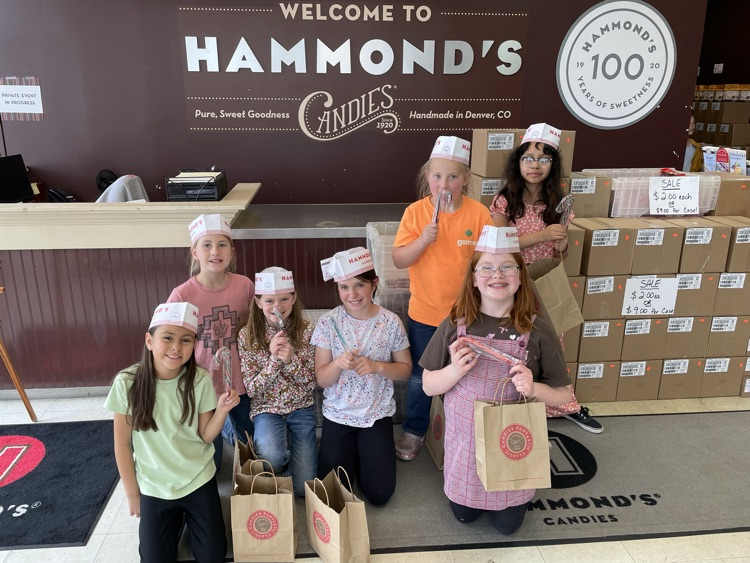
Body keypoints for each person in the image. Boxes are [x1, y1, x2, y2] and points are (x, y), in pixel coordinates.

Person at [421, 226, 571, 535]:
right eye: (486, 267)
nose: (496, 274)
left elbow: (564, 396)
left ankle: (509, 499)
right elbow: (427, 385)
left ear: (520, 276)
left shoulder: (539, 332)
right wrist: (454, 371)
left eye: (507, 267)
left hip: (512, 445)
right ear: (474, 278)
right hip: (465, 447)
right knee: (463, 515)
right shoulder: (454, 326)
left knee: (507, 527)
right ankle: (467, 495)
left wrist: (534, 388)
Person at [489, 123, 602, 434]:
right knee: (513, 342)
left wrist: (561, 243)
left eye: (543, 159)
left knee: (550, 343)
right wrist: (541, 234)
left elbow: (559, 252)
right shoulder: (504, 199)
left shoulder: (557, 200)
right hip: (510, 281)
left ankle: (563, 405)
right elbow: (496, 244)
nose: (535, 165)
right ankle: (508, 402)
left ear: (553, 165)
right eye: (528, 158)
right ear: (518, 161)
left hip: (546, 280)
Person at [105, 302, 239, 563]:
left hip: (198, 480)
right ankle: (177, 520)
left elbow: (206, 436)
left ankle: (188, 520)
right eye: (167, 338)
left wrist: (222, 411)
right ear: (149, 340)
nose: (176, 347)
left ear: (193, 345)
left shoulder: (199, 379)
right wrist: (133, 494)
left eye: (186, 340)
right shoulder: (127, 382)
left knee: (213, 556)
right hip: (154, 487)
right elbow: (122, 445)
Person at [392, 135, 492, 460]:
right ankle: (416, 429)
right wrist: (422, 241)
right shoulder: (416, 212)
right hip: (425, 314)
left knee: (467, 373)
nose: (444, 183)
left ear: (465, 179)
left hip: (468, 316)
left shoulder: (478, 215)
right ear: (427, 178)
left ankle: (460, 429)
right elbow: (399, 259)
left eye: (452, 176)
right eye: (437, 176)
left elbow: (489, 263)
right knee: (424, 376)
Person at [312, 247, 411, 505]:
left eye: (359, 285)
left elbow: (405, 369)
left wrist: (378, 367)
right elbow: (322, 379)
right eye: (344, 287)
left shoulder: (391, 322)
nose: (352, 294)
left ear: (374, 284)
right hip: (338, 414)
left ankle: (363, 452)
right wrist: (337, 364)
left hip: (375, 413)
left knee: (379, 494)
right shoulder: (328, 322)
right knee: (333, 493)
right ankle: (353, 452)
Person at [167, 213, 255, 469]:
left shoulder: (245, 286)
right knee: (211, 461)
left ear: (231, 251)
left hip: (241, 382)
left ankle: (230, 427)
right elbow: (171, 344)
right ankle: (223, 427)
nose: (215, 251)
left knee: (251, 445)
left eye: (222, 244)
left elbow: (256, 331)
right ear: (194, 252)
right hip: (203, 387)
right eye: (207, 245)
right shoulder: (182, 295)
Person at [238, 266, 317, 497]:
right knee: (272, 459)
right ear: (258, 302)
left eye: (284, 299)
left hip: (300, 408)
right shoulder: (247, 335)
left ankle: (295, 448)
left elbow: (312, 384)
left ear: (293, 298)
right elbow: (252, 390)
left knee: (303, 488)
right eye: (270, 300)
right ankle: (281, 453)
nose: (277, 307)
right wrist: (273, 361)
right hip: (266, 409)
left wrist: (291, 359)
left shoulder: (308, 331)